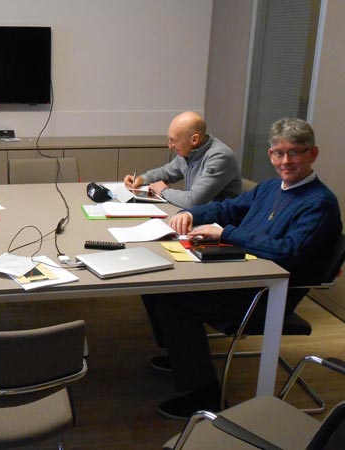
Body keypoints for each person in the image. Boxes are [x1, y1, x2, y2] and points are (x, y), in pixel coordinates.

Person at [143, 118, 342, 420]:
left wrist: (226, 233)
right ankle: (182, 353)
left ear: (312, 154)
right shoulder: (272, 187)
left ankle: (206, 395)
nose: (285, 161)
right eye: (279, 153)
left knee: (173, 300)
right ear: (270, 155)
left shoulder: (320, 203)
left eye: (295, 152)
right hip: (242, 274)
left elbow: (288, 252)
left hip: (266, 294)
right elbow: (227, 208)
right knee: (156, 285)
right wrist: (190, 214)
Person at [124, 111, 241, 208]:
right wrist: (142, 179)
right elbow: (166, 172)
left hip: (218, 224)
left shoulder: (219, 157)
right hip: (196, 215)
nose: (170, 146)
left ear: (194, 139)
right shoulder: (190, 150)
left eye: (173, 140)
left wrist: (163, 191)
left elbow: (194, 201)